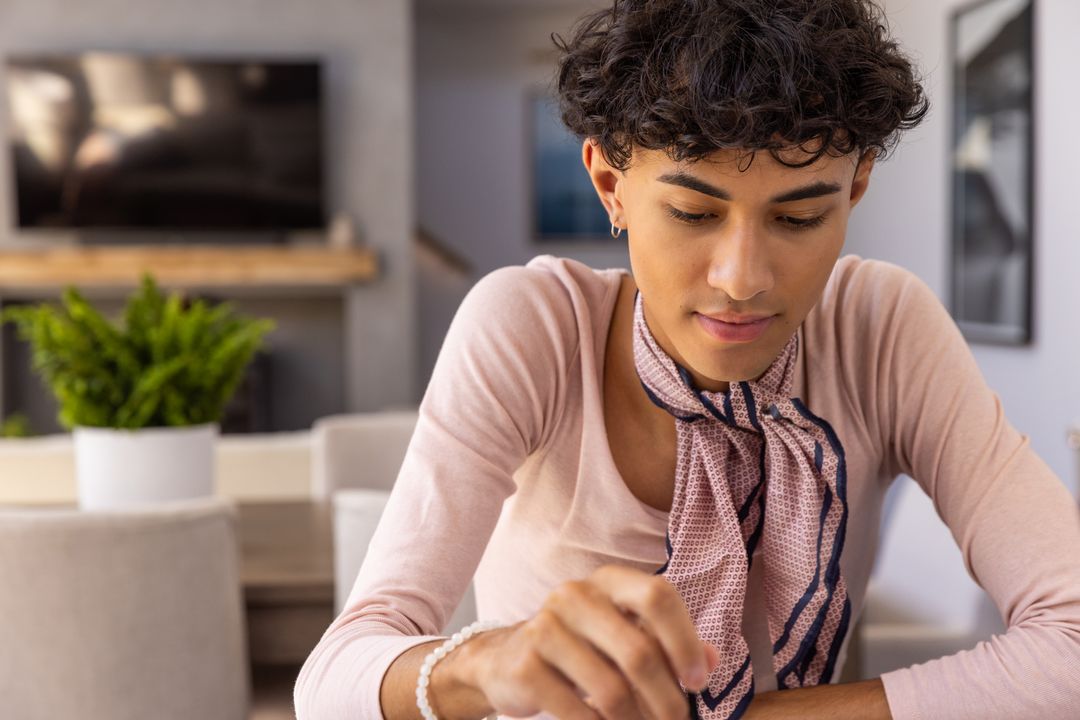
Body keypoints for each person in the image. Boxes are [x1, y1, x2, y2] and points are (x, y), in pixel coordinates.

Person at [294, 1, 1080, 718]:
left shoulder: (882, 329)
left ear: (856, 189)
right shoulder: (533, 328)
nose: (742, 279)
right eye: (693, 212)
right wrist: (485, 661)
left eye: (800, 217)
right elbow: (330, 683)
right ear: (610, 183)